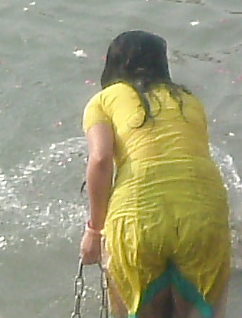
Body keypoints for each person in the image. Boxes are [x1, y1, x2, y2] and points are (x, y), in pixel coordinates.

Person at [79, 30, 231, 318]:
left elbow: (100, 159)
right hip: (203, 213)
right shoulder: (189, 100)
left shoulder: (103, 100)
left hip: (138, 217)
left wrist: (94, 231)